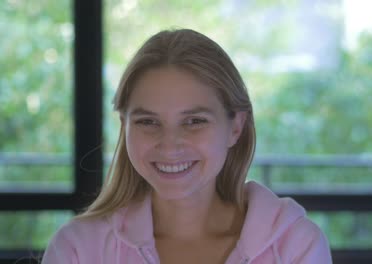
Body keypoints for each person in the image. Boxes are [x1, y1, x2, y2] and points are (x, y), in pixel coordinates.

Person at [42, 28, 332, 264]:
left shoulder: (296, 245)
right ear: (124, 126)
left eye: (194, 121)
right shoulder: (77, 249)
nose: (169, 145)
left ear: (235, 127)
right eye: (148, 122)